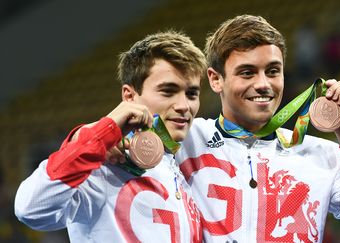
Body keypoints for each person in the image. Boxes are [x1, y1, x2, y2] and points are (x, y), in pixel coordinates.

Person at [175, 15, 340, 242]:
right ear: (216, 79)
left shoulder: (320, 155)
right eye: (247, 72)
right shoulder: (185, 139)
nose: (263, 84)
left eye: (273, 71)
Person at [14, 30, 207, 242]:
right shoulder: (105, 165)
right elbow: (31, 208)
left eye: (191, 94)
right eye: (168, 91)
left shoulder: (178, 168)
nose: (183, 106)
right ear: (130, 95)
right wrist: (100, 134)